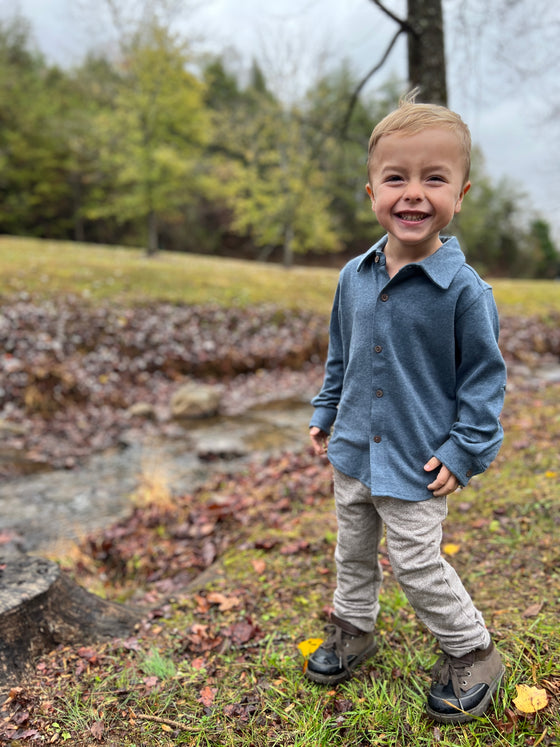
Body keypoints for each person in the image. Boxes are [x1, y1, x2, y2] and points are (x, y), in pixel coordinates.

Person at [306, 95, 507, 724]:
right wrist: (325, 409)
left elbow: (485, 380)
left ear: (461, 193)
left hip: (418, 461)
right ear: (371, 191)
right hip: (354, 452)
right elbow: (342, 354)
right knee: (352, 549)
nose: (413, 193)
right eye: (397, 178)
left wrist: (464, 449)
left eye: (434, 178)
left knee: (418, 563)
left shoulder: (465, 293)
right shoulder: (353, 277)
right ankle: (354, 629)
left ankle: (471, 649)